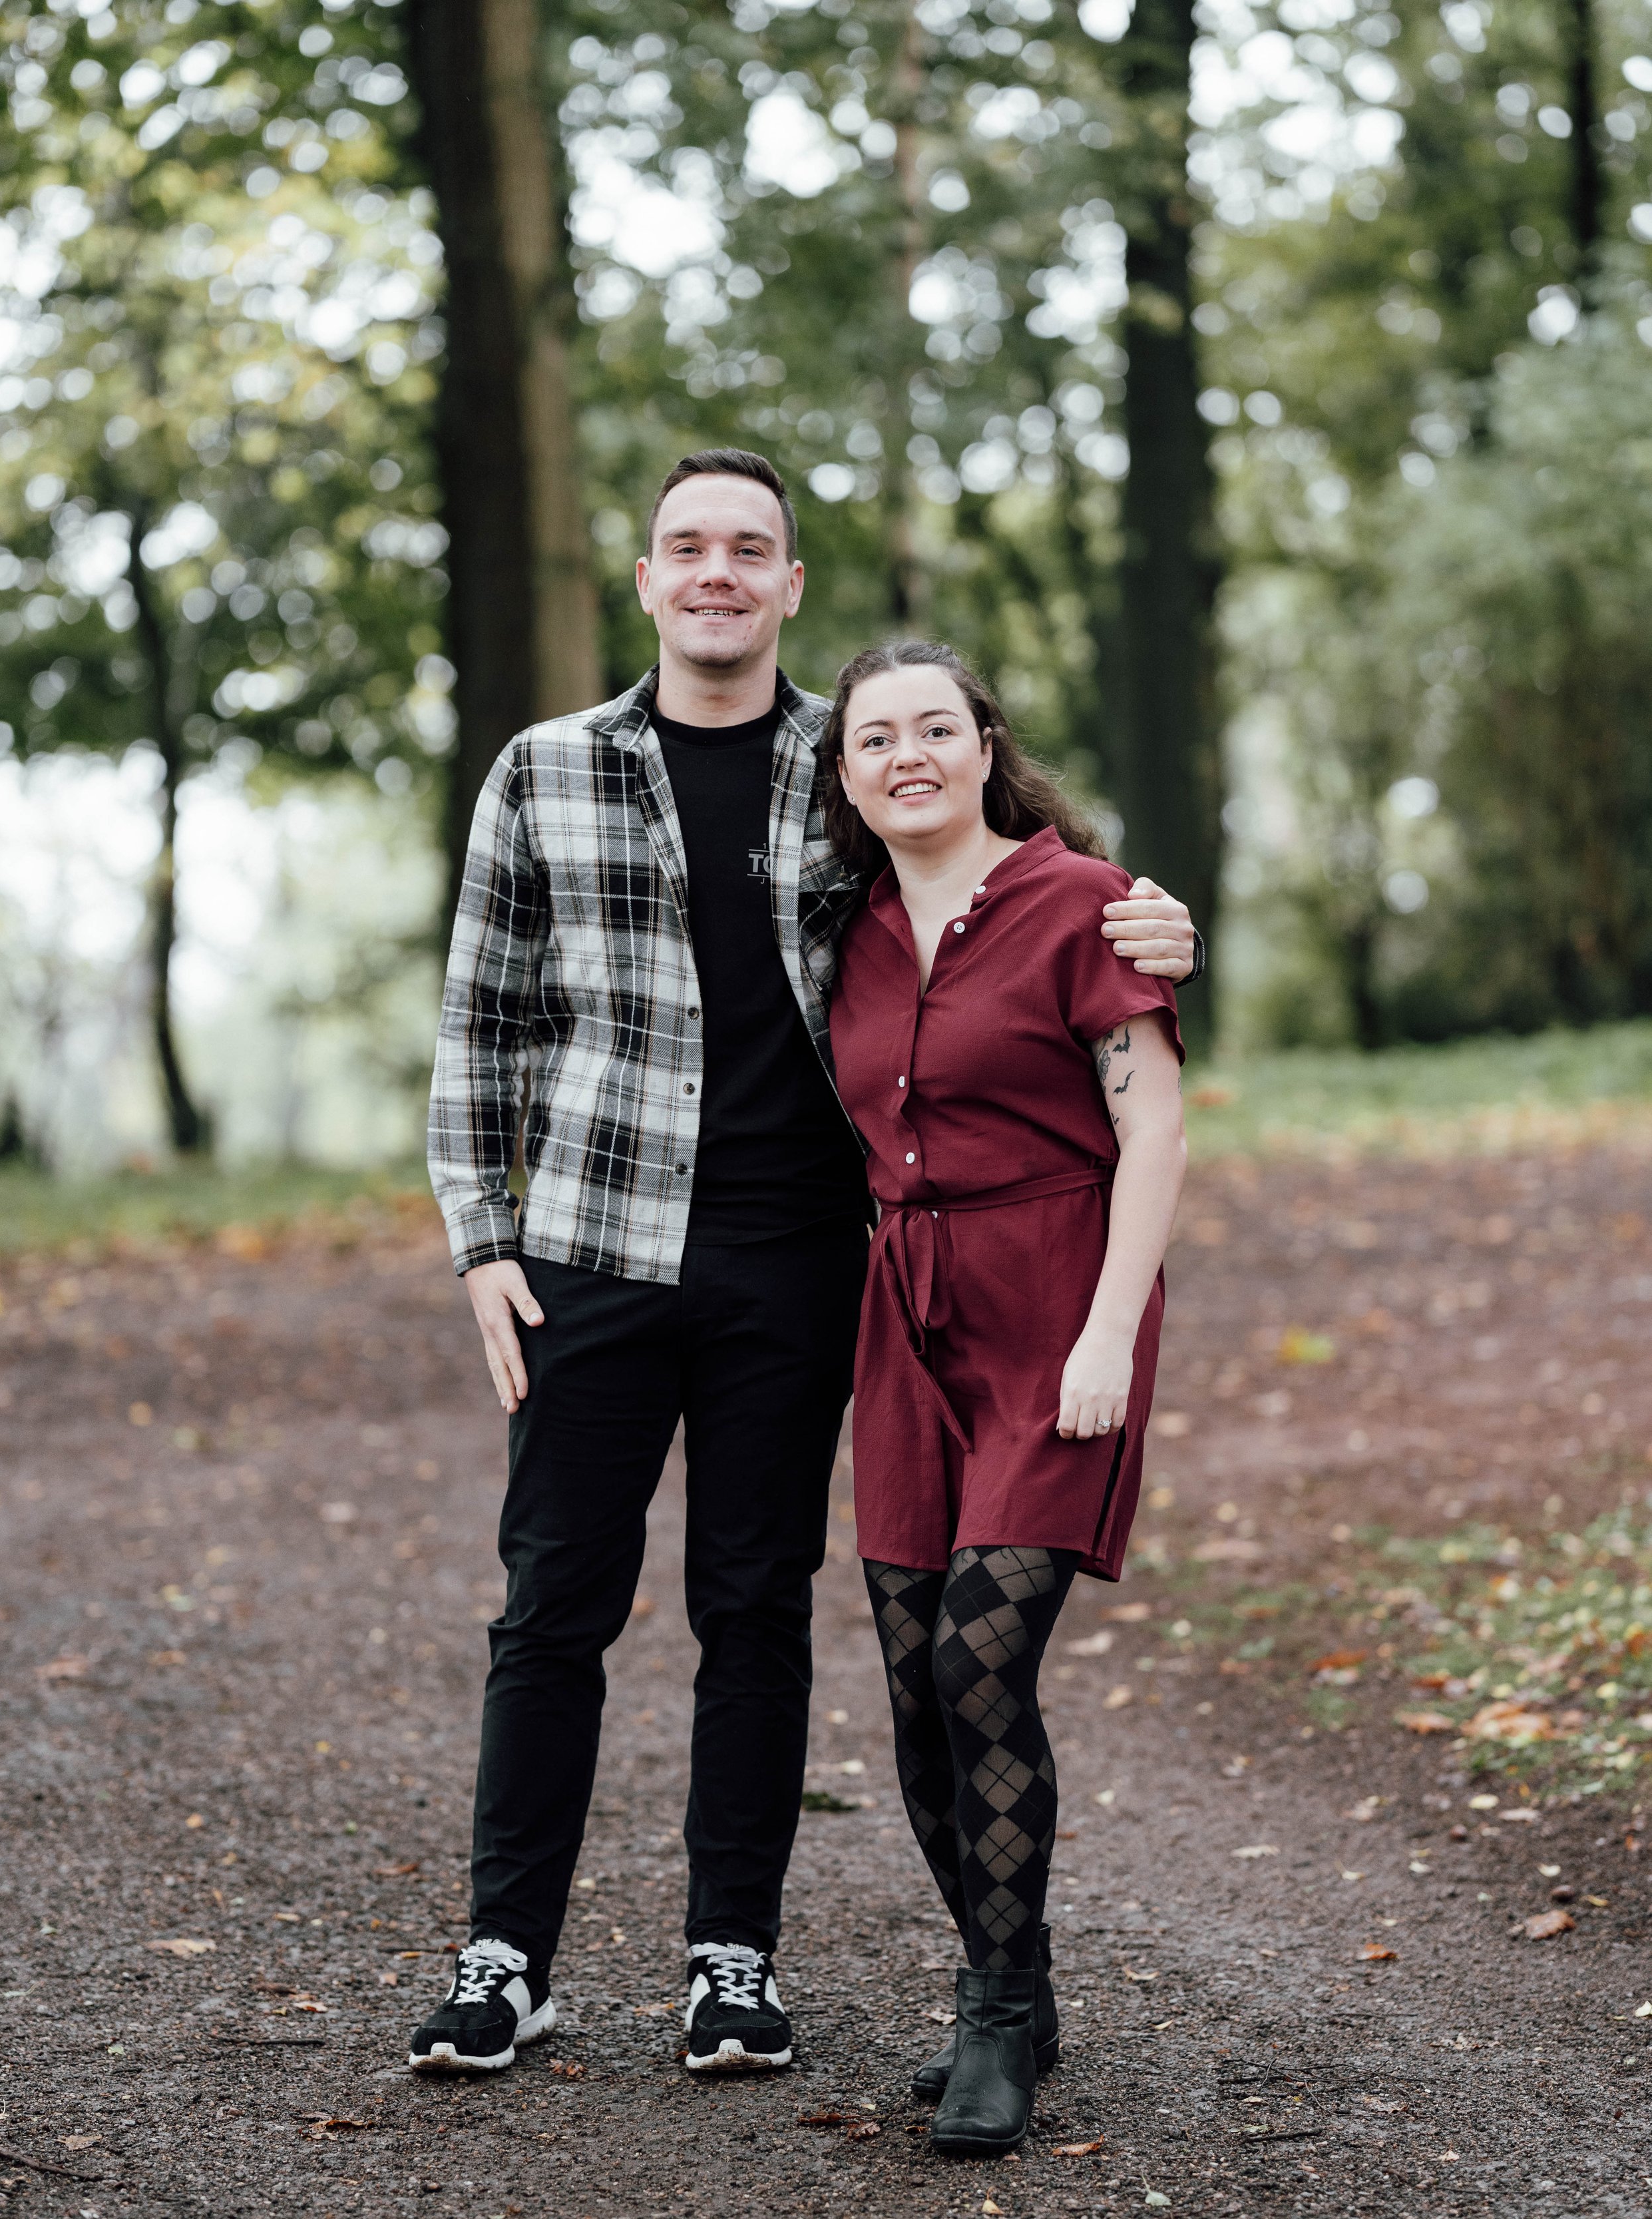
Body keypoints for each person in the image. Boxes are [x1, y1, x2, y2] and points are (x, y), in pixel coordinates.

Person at [411, 448, 1200, 2078]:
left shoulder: (847, 762)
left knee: (756, 1604)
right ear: (645, 579)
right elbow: (480, 1021)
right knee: (551, 1601)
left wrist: (1154, 919)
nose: (716, 570)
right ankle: (505, 1956)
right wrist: (479, 1238)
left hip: (794, 1262)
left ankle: (732, 1959)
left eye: (748, 547)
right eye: (686, 546)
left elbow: (1005, 882)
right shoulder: (542, 770)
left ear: (786, 584)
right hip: (586, 1246)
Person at [821, 639, 1188, 2154]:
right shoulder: (839, 930)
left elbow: (1153, 1131)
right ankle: (1015, 1988)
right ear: (846, 777)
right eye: (874, 738)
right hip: (905, 1322)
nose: (906, 755)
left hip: (1056, 1308)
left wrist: (1107, 1334)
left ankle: (992, 2011)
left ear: (985, 746)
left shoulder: (1084, 904)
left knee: (980, 1656)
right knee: (915, 1684)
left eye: (934, 727)